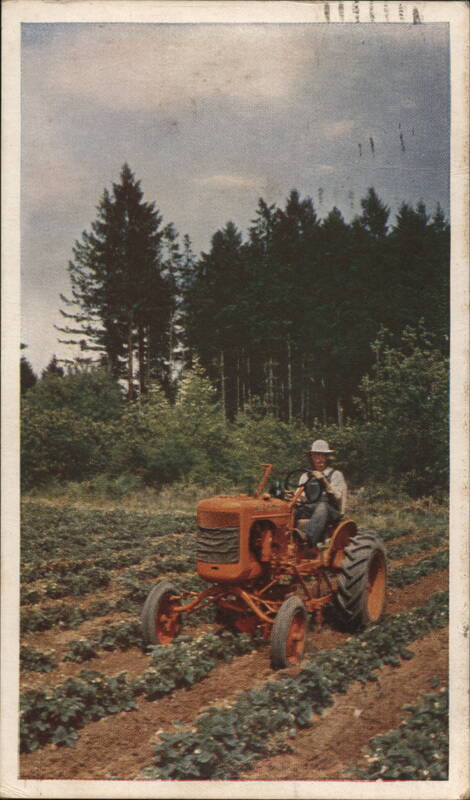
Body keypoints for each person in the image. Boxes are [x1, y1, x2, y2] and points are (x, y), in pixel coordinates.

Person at [294, 439, 347, 548]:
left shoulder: (335, 474)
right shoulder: (305, 476)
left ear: (327, 457)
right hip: (310, 509)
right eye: (316, 456)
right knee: (290, 509)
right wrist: (292, 497)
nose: (319, 460)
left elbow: (337, 497)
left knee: (323, 506)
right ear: (312, 457)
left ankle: (306, 536)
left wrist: (324, 481)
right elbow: (300, 498)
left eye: (322, 456)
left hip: (331, 511)